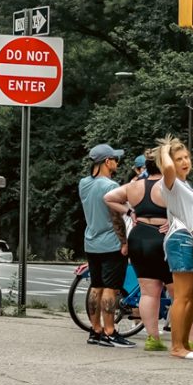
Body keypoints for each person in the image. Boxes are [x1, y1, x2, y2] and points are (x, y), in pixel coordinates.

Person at [156, 137, 193, 361]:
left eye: (187, 157)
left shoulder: (186, 185)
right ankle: (177, 346)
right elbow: (168, 167)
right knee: (182, 296)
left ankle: (185, 342)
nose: (185, 162)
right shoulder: (170, 182)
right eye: (179, 159)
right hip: (181, 239)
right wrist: (165, 149)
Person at [107, 155, 171, 348]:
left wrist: (129, 212)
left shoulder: (134, 186)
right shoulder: (168, 186)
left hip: (138, 236)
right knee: (179, 294)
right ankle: (182, 340)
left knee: (148, 293)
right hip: (160, 237)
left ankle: (153, 339)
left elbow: (108, 198)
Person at [78, 145, 128, 346]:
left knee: (96, 286)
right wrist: (124, 242)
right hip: (110, 242)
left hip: (91, 241)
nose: (117, 162)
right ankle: (110, 331)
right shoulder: (111, 186)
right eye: (115, 159)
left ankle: (95, 330)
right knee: (111, 288)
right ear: (107, 162)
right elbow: (117, 217)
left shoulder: (84, 184)